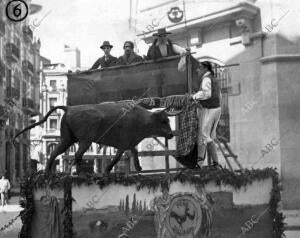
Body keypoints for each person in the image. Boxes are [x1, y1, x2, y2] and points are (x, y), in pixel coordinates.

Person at [191, 61, 222, 168]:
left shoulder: (206, 79)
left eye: (199, 68)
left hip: (209, 109)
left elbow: (206, 94)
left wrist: (194, 97)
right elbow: (218, 95)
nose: (197, 70)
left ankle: (214, 163)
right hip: (216, 109)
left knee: (204, 136)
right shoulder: (215, 79)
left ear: (205, 69)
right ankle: (201, 163)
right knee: (207, 136)